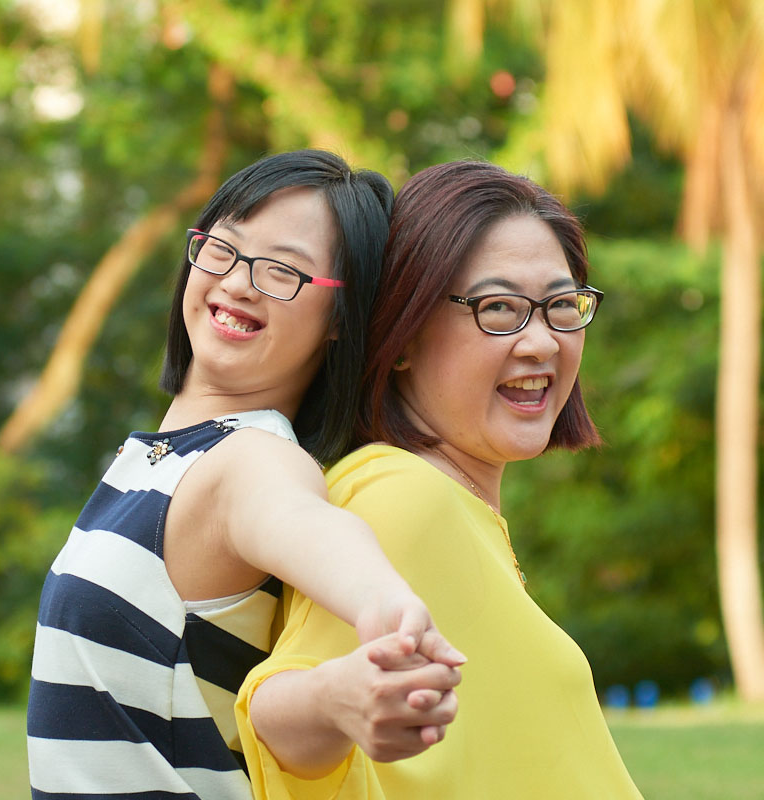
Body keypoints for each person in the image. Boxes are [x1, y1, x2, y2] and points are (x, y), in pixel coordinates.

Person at [26, 150, 464, 800]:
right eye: (223, 249)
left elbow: (299, 520)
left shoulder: (252, 458)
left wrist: (391, 613)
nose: (237, 282)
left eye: (284, 271)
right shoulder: (160, 459)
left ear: (340, 320)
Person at [236, 160, 645, 798]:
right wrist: (337, 697)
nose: (541, 342)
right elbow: (277, 719)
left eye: (561, 306)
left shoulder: (454, 507)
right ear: (402, 335)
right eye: (499, 307)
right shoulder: (400, 497)